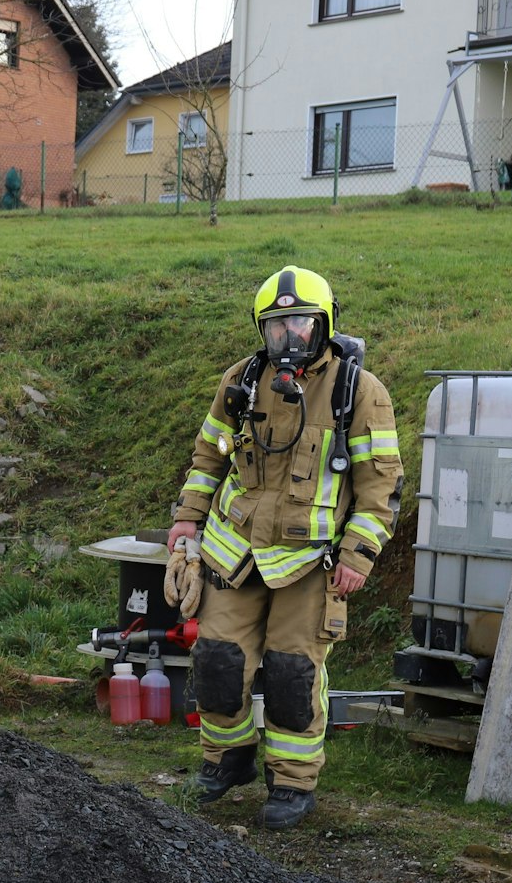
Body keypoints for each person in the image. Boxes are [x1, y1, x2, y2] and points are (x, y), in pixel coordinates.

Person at [168, 265, 402, 830]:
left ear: (324, 325)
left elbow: (381, 488)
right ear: (262, 329)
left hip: (309, 562)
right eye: (276, 327)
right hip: (235, 552)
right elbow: (209, 457)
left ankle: (293, 784)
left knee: (293, 674)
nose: (288, 336)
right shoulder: (242, 380)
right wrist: (187, 521)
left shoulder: (359, 392)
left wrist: (358, 556)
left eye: (300, 324)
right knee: (218, 662)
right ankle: (227, 761)